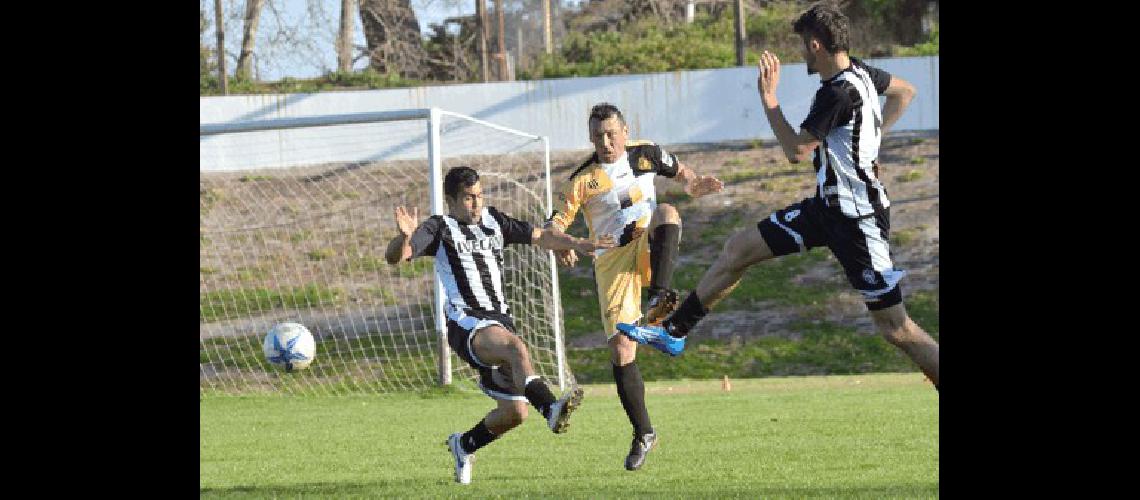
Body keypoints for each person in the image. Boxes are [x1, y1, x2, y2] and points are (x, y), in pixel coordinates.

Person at [616, 2, 939, 391]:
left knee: (897, 328)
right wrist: (867, 147)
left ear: (816, 45)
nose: (802, 53)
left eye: (804, 45)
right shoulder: (863, 73)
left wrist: (769, 99)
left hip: (857, 221)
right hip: (827, 209)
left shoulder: (836, 93)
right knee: (738, 249)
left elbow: (795, 151)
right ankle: (675, 331)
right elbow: (905, 92)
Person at [385, 166, 615, 485]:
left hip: (498, 321)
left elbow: (540, 235)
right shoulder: (439, 228)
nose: (476, 203)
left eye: (479, 195)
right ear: (450, 200)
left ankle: (463, 446)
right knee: (514, 347)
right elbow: (396, 257)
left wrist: (576, 243)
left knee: (515, 413)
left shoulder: (495, 221)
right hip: (466, 322)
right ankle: (550, 408)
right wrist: (403, 237)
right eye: (468, 198)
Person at [545, 103, 724, 470]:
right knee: (622, 350)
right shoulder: (583, 178)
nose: (605, 142)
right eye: (598, 136)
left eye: (611, 134)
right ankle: (644, 432)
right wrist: (562, 244)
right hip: (611, 260)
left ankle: (659, 295)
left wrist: (692, 185)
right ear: (590, 137)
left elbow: (681, 172)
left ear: (625, 131)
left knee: (668, 213)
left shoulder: (648, 153)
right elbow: (554, 225)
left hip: (647, 243)